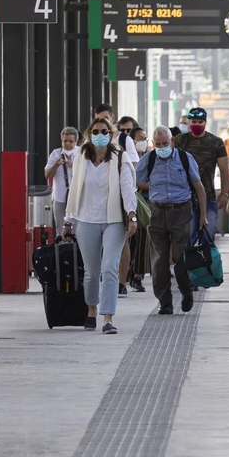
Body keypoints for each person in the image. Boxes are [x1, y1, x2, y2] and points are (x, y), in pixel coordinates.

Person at [64, 117, 137, 334]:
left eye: (104, 131)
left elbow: (127, 187)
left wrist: (131, 215)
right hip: (86, 219)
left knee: (109, 267)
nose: (99, 134)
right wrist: (68, 221)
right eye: (95, 131)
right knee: (91, 271)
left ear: (111, 134)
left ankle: (108, 317)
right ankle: (91, 309)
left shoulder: (120, 157)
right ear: (89, 133)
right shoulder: (81, 157)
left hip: (114, 219)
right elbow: (74, 190)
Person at [136, 126, 208, 315]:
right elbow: (135, 181)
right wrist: (154, 186)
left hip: (181, 212)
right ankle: (165, 302)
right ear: (153, 143)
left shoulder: (185, 158)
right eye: (158, 144)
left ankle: (186, 291)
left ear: (172, 142)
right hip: (157, 212)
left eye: (165, 144)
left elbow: (198, 186)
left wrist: (203, 215)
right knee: (159, 261)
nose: (161, 147)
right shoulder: (149, 159)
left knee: (180, 256)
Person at [175, 106, 229, 238]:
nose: (197, 125)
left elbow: (224, 169)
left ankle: (206, 259)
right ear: (189, 123)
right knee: (188, 236)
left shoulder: (216, 142)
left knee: (208, 236)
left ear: (205, 122)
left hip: (209, 196)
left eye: (200, 122)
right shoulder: (179, 141)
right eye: (194, 122)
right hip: (185, 198)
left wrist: (224, 193)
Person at [114, 115, 144, 295]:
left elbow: (132, 175)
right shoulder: (90, 146)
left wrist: (131, 211)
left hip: (124, 198)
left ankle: (122, 281)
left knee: (123, 240)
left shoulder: (125, 143)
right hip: (100, 201)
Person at [44, 127, 79, 228]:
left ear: (76, 141)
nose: (68, 144)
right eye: (65, 141)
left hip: (77, 198)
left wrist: (75, 166)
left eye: (71, 141)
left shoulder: (81, 153)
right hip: (60, 198)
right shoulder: (55, 154)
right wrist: (56, 164)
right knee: (61, 228)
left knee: (78, 229)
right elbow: (47, 175)